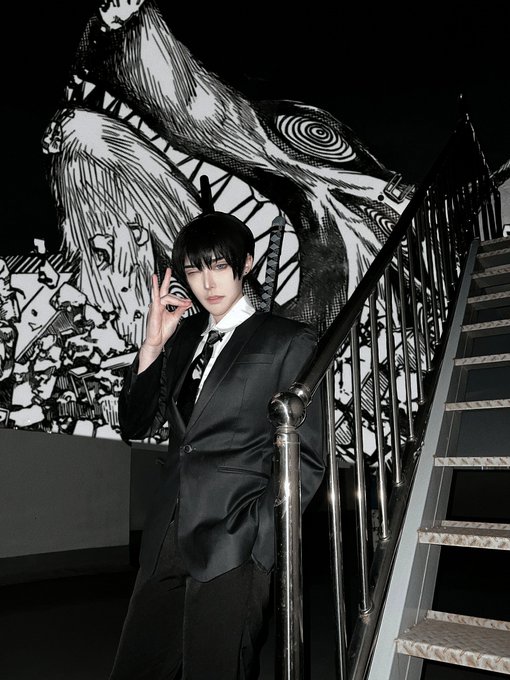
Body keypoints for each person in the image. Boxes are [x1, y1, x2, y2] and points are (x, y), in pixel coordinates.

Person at [111, 210, 325, 680]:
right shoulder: (184, 335)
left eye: (219, 266)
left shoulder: (287, 340)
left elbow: (307, 457)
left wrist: (261, 539)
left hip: (235, 538)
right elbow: (134, 425)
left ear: (246, 263)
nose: (207, 283)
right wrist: (153, 345)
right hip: (167, 533)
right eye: (194, 271)